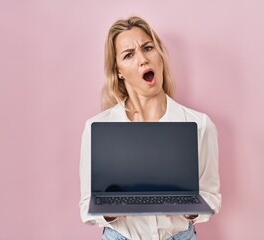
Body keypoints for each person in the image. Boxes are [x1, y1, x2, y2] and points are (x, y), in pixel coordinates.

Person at [79, 16, 221, 240]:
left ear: (160, 55)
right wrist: (110, 208)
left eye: (148, 48)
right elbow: (86, 206)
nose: (143, 60)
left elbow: (212, 196)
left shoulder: (199, 125)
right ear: (119, 71)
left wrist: (187, 206)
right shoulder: (98, 127)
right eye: (129, 55)